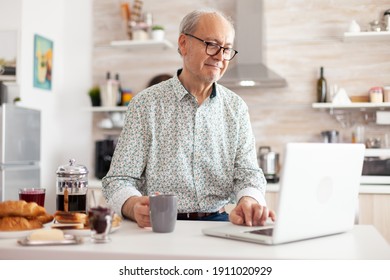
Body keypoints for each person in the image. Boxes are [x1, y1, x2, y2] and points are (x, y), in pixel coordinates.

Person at [102, 8, 276, 228]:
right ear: (183, 44)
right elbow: (118, 180)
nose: (220, 57)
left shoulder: (236, 108)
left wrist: (249, 200)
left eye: (227, 49)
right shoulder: (145, 104)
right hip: (160, 225)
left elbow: (249, 174)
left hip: (218, 223)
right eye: (211, 45)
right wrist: (132, 205)